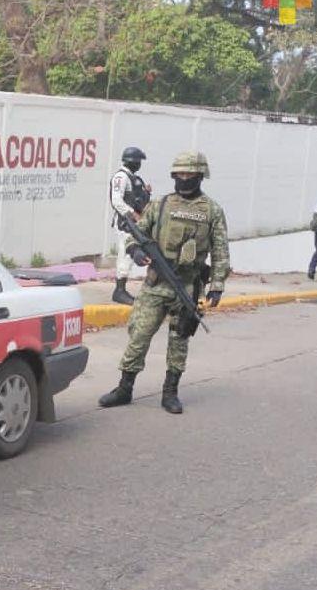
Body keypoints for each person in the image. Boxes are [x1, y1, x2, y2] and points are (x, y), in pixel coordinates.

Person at [98, 151, 230, 414]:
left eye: (189, 174)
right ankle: (125, 387)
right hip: (156, 283)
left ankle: (170, 392)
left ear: (199, 176)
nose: (183, 179)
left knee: (179, 340)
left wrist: (216, 286)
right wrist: (136, 251)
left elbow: (220, 251)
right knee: (139, 334)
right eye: (179, 174)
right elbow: (137, 234)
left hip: (188, 286)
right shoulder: (160, 205)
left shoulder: (212, 211)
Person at [108, 147, 152, 305]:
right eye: (138, 161)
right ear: (132, 161)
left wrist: (146, 192)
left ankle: (121, 289)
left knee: (131, 254)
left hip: (135, 225)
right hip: (125, 224)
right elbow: (117, 201)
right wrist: (132, 214)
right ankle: (119, 291)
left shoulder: (134, 178)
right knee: (126, 254)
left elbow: (139, 199)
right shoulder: (121, 177)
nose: (139, 164)